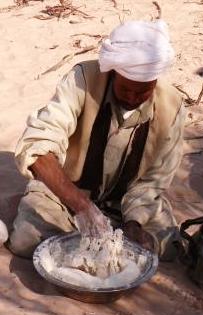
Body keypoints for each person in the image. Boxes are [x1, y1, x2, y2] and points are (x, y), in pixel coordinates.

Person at [7, 20, 186, 260]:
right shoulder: (82, 80)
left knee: (165, 246)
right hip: (66, 191)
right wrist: (82, 206)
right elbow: (38, 149)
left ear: (155, 82)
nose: (133, 98)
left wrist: (134, 223)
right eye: (125, 90)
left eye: (143, 91)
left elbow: (152, 183)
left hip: (126, 204)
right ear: (113, 73)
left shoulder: (172, 107)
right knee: (26, 241)